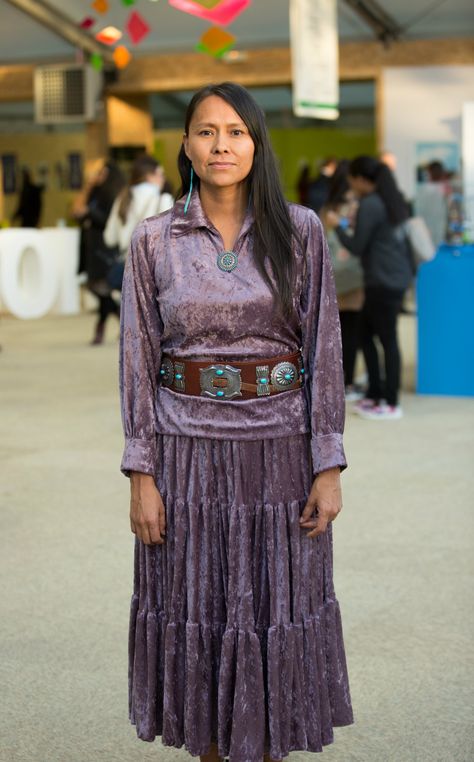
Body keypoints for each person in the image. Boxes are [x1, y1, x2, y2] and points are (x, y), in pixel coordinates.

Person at [120, 82, 353, 762]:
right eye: (206, 132)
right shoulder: (154, 240)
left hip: (279, 457)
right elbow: (137, 359)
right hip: (185, 457)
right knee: (202, 619)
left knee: (270, 617)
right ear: (186, 145)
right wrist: (141, 473)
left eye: (236, 132)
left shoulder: (300, 230)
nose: (221, 145)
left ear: (257, 143)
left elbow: (325, 352)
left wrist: (328, 463)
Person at [327, 156, 412, 420]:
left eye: (352, 179)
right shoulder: (389, 198)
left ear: (362, 179)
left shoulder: (371, 203)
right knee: (368, 334)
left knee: (385, 339)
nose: (351, 184)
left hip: (382, 279)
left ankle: (389, 401)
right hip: (393, 276)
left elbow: (356, 246)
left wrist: (336, 226)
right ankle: (376, 393)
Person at [320, 160, 364, 400]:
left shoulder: (327, 207)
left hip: (332, 275)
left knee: (335, 331)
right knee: (352, 328)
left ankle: (339, 379)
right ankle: (347, 380)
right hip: (353, 275)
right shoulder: (355, 205)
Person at [73, 161, 126, 345]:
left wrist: (90, 212)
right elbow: (76, 211)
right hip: (90, 245)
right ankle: (120, 317)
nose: (99, 176)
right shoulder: (96, 192)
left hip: (103, 247)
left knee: (101, 287)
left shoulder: (113, 194)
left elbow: (108, 222)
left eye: (102, 173)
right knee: (95, 286)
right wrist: (88, 186)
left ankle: (102, 328)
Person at [104, 155, 174, 271]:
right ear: (151, 175)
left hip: (126, 267)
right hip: (151, 269)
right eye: (161, 174)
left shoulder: (122, 198)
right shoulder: (163, 199)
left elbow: (109, 238)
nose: (163, 179)